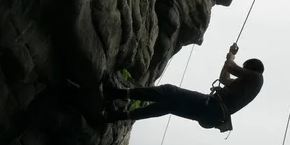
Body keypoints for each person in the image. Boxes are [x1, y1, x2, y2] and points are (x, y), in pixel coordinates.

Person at [103, 44, 264, 132]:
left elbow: (230, 66)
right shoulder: (245, 87)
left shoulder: (256, 77)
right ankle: (117, 116)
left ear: (251, 69)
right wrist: (228, 59)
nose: (242, 73)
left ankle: (116, 93)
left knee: (169, 91)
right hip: (211, 115)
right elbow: (224, 78)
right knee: (168, 106)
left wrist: (231, 57)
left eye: (245, 69)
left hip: (212, 107)